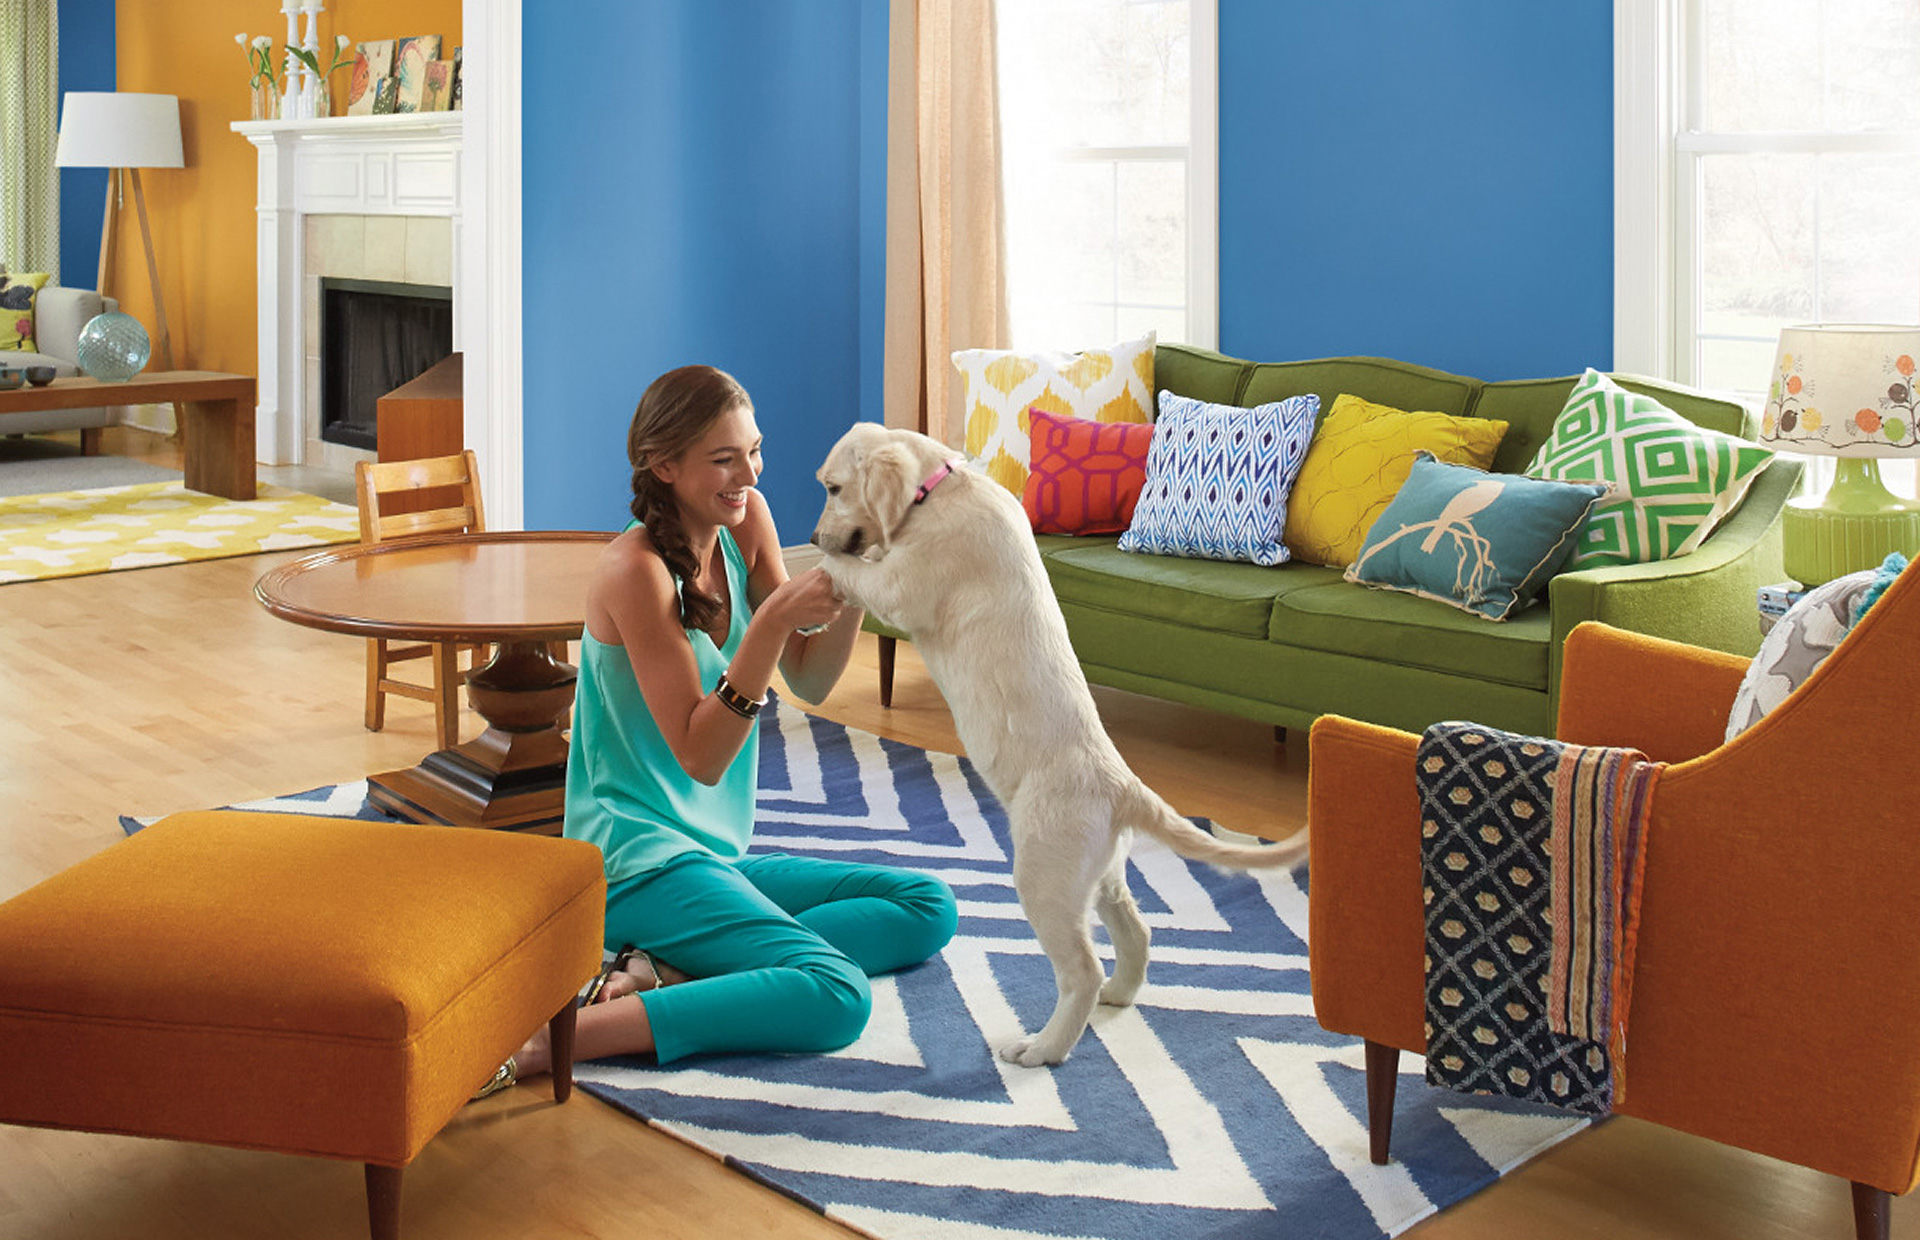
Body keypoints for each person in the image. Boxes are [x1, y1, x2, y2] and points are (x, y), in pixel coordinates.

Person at [479, 365, 957, 1094]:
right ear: (664, 465)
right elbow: (701, 755)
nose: (750, 474)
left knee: (926, 906)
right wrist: (769, 624)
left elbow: (812, 679)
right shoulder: (634, 572)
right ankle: (552, 1041)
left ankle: (670, 970)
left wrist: (857, 570)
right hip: (633, 864)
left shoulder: (745, 521)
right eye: (725, 459)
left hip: (711, 854)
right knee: (834, 992)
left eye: (754, 451)